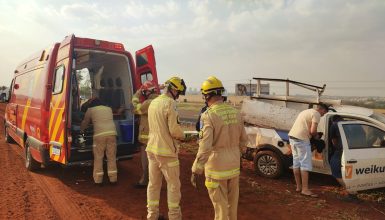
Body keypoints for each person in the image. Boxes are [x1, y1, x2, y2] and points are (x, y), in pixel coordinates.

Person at [191, 76, 248, 220]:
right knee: (232, 207)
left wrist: (196, 169)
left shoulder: (208, 116)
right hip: (234, 166)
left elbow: (205, 147)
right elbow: (244, 141)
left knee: (220, 209)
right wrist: (237, 154)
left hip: (216, 169)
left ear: (207, 95)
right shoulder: (236, 112)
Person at [146, 76, 186, 220]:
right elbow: (174, 130)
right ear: (174, 89)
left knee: (153, 184)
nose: (178, 95)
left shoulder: (153, 102)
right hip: (167, 151)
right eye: (178, 92)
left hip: (152, 149)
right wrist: (184, 136)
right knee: (174, 185)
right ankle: (174, 217)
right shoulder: (170, 103)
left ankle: (152, 215)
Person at [288, 103, 329, 198]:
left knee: (296, 163)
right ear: (322, 110)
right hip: (302, 139)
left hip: (292, 138)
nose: (323, 115)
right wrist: (317, 137)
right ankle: (305, 190)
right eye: (324, 113)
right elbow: (313, 131)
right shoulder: (316, 114)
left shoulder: (306, 111)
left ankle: (298, 187)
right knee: (305, 164)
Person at [80, 98, 118, 186]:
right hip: (112, 134)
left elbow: (85, 122)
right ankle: (113, 179)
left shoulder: (90, 110)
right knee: (111, 157)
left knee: (98, 157)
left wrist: (81, 130)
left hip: (99, 136)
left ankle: (98, 180)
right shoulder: (108, 109)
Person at [131, 80, 159, 188]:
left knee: (147, 160)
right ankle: (153, 181)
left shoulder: (148, 103)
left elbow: (135, 108)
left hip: (147, 139)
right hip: (157, 137)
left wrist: (137, 94)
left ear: (147, 92)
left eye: (144, 92)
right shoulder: (161, 101)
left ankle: (145, 180)